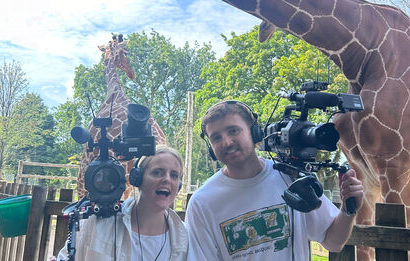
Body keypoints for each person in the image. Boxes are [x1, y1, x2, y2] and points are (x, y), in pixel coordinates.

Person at [185, 101, 363, 260]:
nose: (227, 142)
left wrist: (348, 209)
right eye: (216, 137)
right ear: (211, 148)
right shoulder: (202, 203)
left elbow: (333, 242)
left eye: (233, 130)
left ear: (255, 132)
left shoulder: (290, 177)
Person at [53, 145, 188, 261]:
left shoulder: (185, 237)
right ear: (137, 178)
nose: (167, 179)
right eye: (157, 172)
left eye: (174, 175)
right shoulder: (95, 223)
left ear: (179, 185)